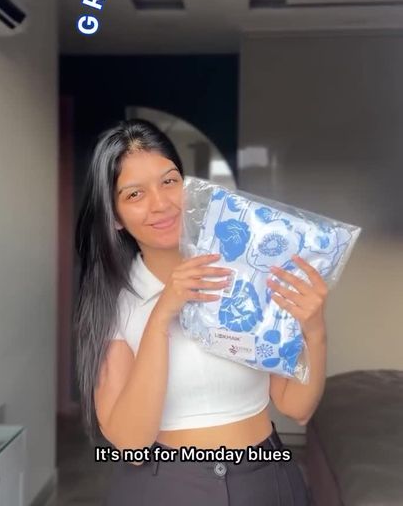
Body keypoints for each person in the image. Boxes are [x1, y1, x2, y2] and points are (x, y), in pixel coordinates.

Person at [74, 119, 329, 505]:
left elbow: (297, 406)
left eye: (169, 181)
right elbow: (131, 443)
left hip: (267, 479)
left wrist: (314, 330)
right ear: (114, 216)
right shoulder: (116, 302)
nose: (161, 203)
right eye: (134, 194)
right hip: (165, 487)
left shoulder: (246, 273)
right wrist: (162, 314)